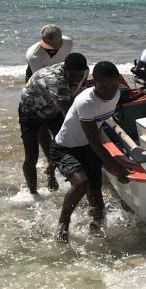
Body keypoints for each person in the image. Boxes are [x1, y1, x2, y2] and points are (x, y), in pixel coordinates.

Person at [50, 61, 134, 243]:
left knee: (96, 195)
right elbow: (94, 141)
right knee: (81, 182)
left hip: (87, 146)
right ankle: (63, 223)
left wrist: (119, 160)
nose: (110, 91)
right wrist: (115, 167)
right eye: (104, 87)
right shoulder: (86, 102)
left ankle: (97, 227)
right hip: (65, 148)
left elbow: (99, 126)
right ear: (94, 82)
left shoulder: (116, 95)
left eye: (113, 86)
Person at [18, 53, 89, 194]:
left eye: (79, 76)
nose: (77, 79)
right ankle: (33, 192)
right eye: (73, 76)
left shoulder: (85, 72)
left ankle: (50, 174)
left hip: (52, 108)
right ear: (66, 70)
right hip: (30, 110)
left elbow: (78, 97)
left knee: (59, 146)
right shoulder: (55, 80)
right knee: (32, 156)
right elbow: (69, 114)